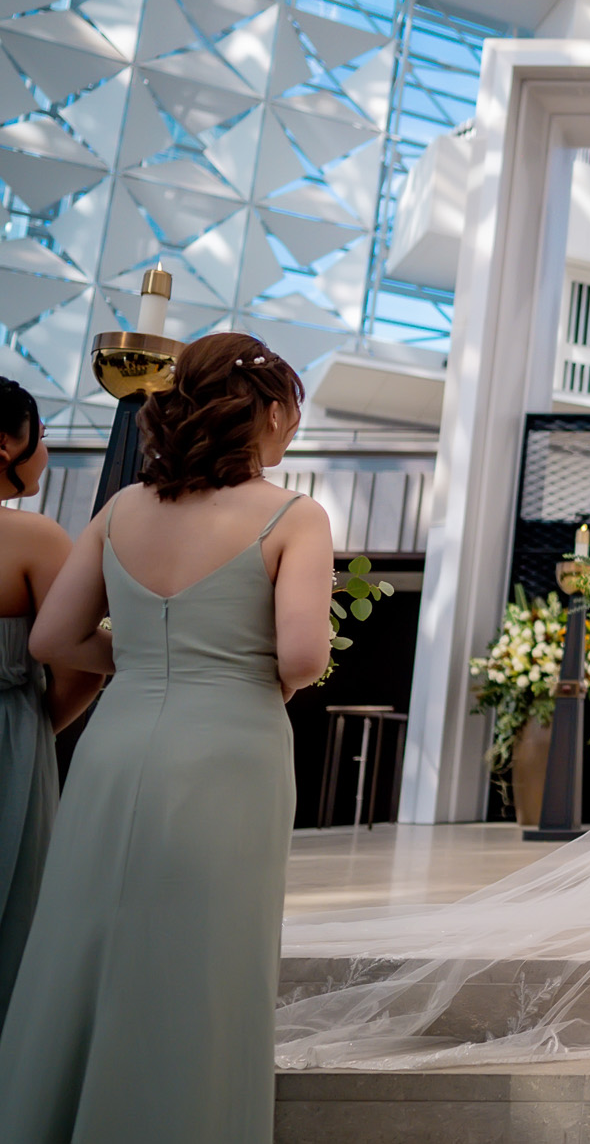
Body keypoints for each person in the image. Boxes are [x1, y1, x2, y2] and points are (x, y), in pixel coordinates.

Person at [0, 334, 333, 1143]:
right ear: (269, 411)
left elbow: (50, 639)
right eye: (291, 408)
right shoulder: (294, 515)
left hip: (117, 744)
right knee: (205, 956)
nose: (293, 425)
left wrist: (151, 656)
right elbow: (301, 656)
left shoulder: (123, 509)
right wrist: (233, 667)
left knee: (86, 940)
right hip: (231, 749)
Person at [0, 381, 101, 1025]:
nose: (47, 452)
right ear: (5, 443)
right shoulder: (35, 539)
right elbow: (81, 668)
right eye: (42, 435)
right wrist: (34, 730)